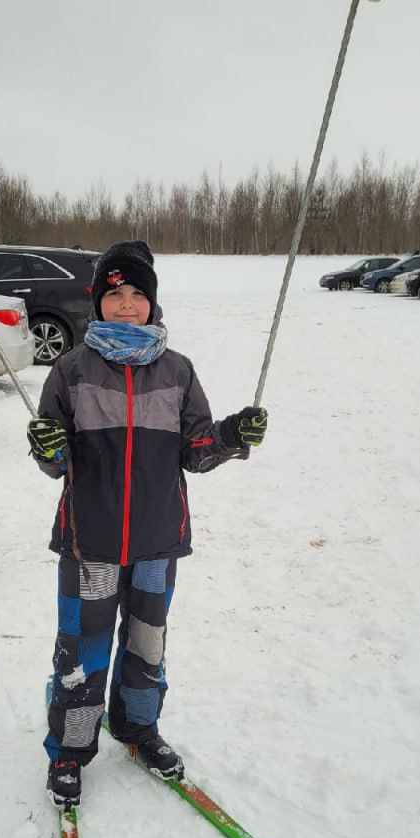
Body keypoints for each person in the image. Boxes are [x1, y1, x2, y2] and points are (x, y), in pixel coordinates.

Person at [27, 240, 267, 808]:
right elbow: (53, 457)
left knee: (147, 645)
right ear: (98, 302)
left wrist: (231, 436)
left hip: (158, 541)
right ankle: (71, 746)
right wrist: (47, 446)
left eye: (138, 295)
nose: (128, 305)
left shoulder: (177, 370)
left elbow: (197, 449)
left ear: (153, 304)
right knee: (82, 650)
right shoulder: (70, 370)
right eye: (116, 294)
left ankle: (138, 730)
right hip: (92, 544)